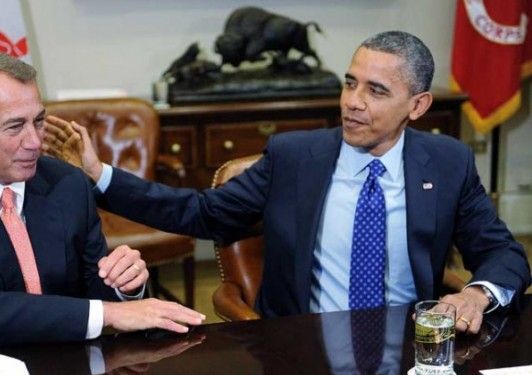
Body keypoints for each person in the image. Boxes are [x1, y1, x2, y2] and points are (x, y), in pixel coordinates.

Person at [44, 31, 530, 334]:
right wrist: (98, 173)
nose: (352, 102)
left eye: (376, 91)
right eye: (349, 82)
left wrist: (475, 294)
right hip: (303, 346)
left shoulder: (446, 162)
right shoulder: (296, 156)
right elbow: (202, 213)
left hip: (412, 344)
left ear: (418, 106)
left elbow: (504, 255)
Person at [0, 49, 204, 347]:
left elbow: (93, 290)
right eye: (15, 126)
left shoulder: (68, 183)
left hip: (70, 374)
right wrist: (106, 314)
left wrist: (124, 286)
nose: (35, 141)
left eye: (39, 121)